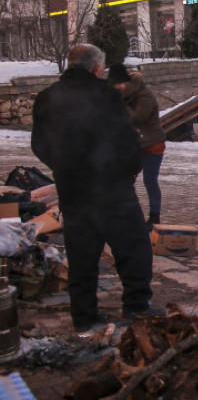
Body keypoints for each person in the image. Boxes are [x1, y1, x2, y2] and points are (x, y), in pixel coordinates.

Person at [31, 44, 157, 332]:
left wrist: (63, 167)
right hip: (112, 187)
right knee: (133, 248)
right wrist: (127, 173)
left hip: (72, 190)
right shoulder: (107, 96)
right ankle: (137, 307)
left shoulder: (46, 97)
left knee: (81, 254)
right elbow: (127, 142)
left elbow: (39, 144)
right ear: (97, 68)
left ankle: (84, 316)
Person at [108, 63, 166, 228]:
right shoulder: (127, 96)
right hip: (134, 145)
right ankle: (124, 214)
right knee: (125, 179)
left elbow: (137, 117)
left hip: (152, 144)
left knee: (150, 180)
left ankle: (154, 216)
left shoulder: (144, 96)